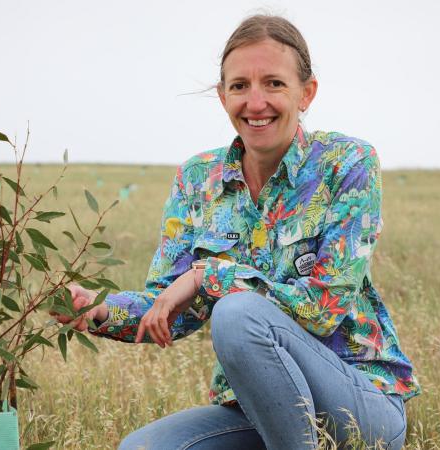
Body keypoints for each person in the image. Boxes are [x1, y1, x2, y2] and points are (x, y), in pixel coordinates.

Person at [53, 14, 420, 450]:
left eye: (274, 84)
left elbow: (324, 308)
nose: (256, 102)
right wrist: (95, 308)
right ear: (222, 96)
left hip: (359, 405)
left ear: (307, 93)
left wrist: (207, 276)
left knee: (236, 312)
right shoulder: (197, 179)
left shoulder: (348, 163)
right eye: (240, 86)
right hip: (258, 411)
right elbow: (169, 304)